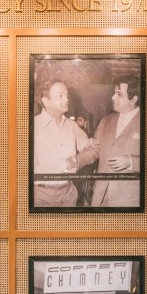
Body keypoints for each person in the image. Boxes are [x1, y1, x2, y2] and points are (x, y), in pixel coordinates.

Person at [75, 72, 142, 208]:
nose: (113, 97)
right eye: (114, 93)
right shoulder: (106, 121)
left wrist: (131, 161)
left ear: (133, 99)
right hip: (101, 196)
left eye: (119, 94)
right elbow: (95, 148)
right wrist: (77, 161)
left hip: (130, 199)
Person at [33, 79, 91, 208]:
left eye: (66, 95)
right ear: (45, 100)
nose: (66, 99)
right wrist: (65, 164)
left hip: (69, 194)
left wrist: (79, 160)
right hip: (41, 196)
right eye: (60, 95)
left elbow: (90, 147)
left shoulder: (72, 126)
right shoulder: (32, 126)